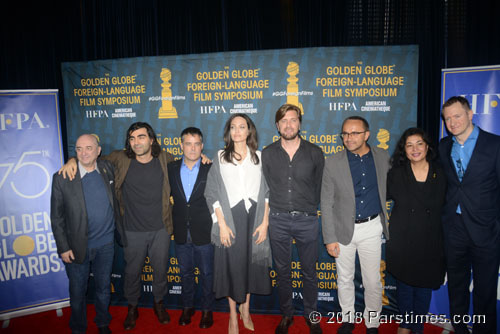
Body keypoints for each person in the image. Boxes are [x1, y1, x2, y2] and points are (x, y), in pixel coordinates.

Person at [59, 122, 174, 330]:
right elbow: (89, 158)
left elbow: (187, 166)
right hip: (131, 229)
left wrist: (202, 158)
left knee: (160, 271)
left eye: (140, 137)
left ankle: (159, 303)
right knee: (131, 273)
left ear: (151, 139)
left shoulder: (166, 159)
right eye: (132, 138)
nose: (136, 142)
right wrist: (71, 160)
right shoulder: (119, 159)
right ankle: (132, 307)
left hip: (161, 229)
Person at [321, 116, 389, 334]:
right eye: (345, 134)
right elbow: (326, 201)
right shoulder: (332, 162)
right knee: (345, 279)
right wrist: (329, 238)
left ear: (366, 135)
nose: (348, 138)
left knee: (372, 281)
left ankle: (372, 323)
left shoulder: (382, 156)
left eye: (354, 133)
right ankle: (348, 319)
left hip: (371, 227)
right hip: (342, 229)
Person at [205, 113, 272, 334]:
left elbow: (267, 195)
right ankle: (233, 316)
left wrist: (264, 223)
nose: (237, 131)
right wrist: (221, 225)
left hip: (254, 218)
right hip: (231, 219)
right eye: (233, 127)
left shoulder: (260, 157)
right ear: (228, 132)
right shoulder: (220, 157)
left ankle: (246, 310)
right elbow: (212, 193)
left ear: (249, 131)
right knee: (231, 267)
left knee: (250, 265)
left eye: (241, 127)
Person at [51, 134, 124, 334]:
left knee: (102, 289)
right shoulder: (63, 177)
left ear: (98, 151)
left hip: (106, 245)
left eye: (89, 148)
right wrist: (63, 247)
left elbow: (130, 155)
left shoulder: (107, 168)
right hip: (76, 247)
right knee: (77, 292)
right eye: (79, 149)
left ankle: (102, 323)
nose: (84, 153)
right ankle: (78, 328)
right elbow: (56, 218)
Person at [439, 96, 500, 334]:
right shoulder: (444, 146)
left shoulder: (494, 145)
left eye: (457, 116)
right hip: (453, 228)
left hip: (486, 229)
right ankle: (460, 328)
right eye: (447, 118)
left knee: (485, 289)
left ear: (470, 114)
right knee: (457, 285)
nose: (452, 122)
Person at [262, 104, 324, 334]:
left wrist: (307, 206)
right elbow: (265, 187)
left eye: (293, 120)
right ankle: (287, 315)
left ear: (299, 122)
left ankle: (311, 315)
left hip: (307, 220)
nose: (288, 125)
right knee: (282, 271)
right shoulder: (267, 153)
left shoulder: (315, 152)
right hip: (277, 219)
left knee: (310, 271)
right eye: (284, 121)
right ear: (277, 125)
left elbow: (319, 188)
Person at [386, 128, 446, 334]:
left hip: (431, 237)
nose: (415, 149)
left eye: (419, 143)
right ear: (404, 149)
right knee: (404, 285)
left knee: (424, 285)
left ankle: (417, 326)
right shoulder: (395, 174)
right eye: (409, 145)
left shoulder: (442, 172)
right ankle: (404, 324)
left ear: (427, 146)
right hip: (403, 236)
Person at [167, 127, 214, 329]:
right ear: (181, 145)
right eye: (188, 143)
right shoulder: (170, 168)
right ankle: (188, 307)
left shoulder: (210, 168)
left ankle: (206, 310)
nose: (192, 148)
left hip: (204, 230)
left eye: (197, 144)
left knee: (206, 273)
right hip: (179, 231)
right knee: (185, 272)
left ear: (202, 146)